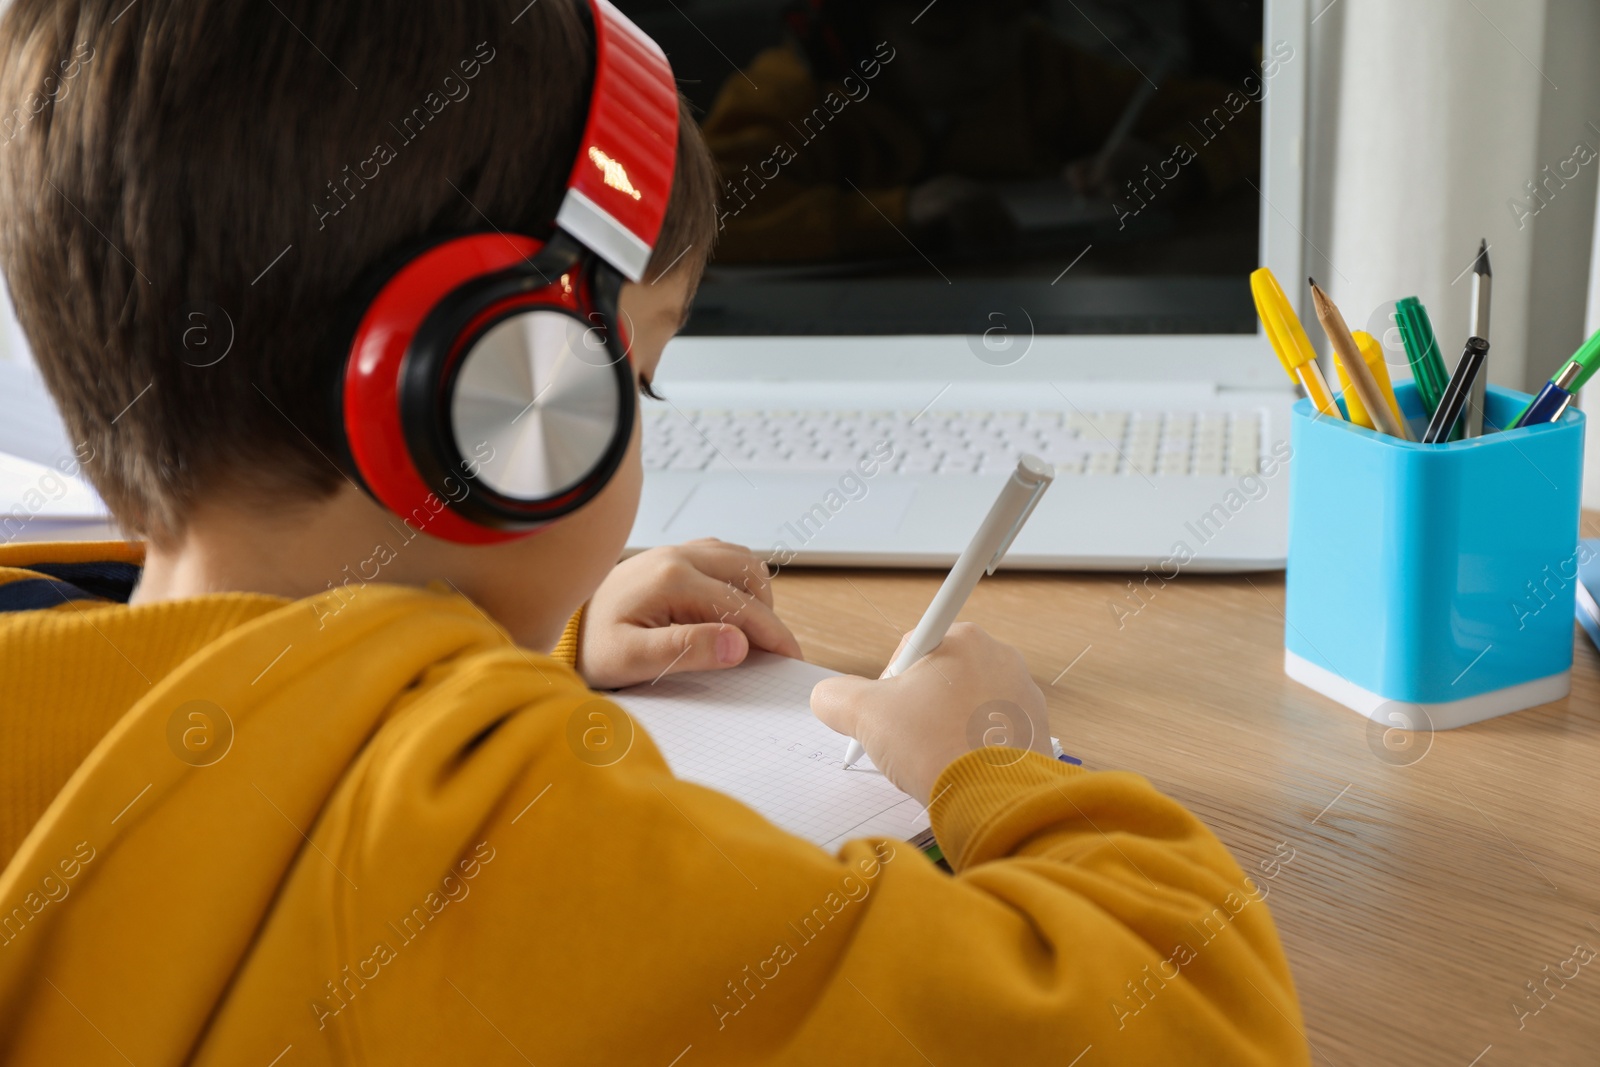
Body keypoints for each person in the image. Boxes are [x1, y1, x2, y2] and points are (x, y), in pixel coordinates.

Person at [0, 1, 1307, 1062]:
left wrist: (524, 655)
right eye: (641, 374)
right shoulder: (486, 854)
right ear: (504, 396)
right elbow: (1197, 1018)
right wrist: (1001, 759)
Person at [703, 0, 1263, 262]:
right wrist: (902, 212)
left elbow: (1239, 113)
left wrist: (1174, 164)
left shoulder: (1042, 67)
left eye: (1008, 21)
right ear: (850, 38)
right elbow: (705, 218)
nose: (990, 57)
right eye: (945, 36)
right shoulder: (792, 93)